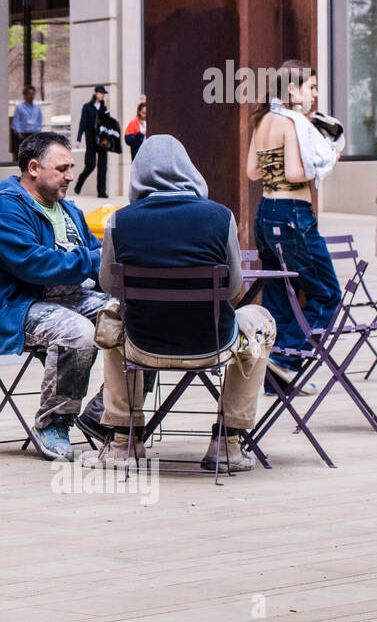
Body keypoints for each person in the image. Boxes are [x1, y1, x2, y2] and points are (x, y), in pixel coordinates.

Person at [85, 135, 276, 471]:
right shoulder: (220, 216)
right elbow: (232, 287)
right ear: (189, 169)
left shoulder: (120, 220)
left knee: (113, 319)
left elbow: (108, 285)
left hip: (142, 346)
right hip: (212, 345)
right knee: (260, 323)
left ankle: (123, 440)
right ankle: (227, 442)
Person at [0, 131, 107, 461]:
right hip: (15, 308)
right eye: (62, 168)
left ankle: (106, 416)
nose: (71, 176)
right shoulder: (2, 210)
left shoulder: (69, 211)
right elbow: (34, 264)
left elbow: (98, 260)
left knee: (141, 319)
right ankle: (53, 423)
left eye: (71, 167)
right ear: (34, 168)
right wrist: (94, 260)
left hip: (73, 299)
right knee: (77, 331)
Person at [245, 60, 340, 394]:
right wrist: (328, 159)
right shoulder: (291, 121)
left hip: (266, 212)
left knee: (279, 295)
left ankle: (275, 378)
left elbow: (252, 172)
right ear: (291, 88)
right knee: (328, 292)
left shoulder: (262, 120)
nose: (314, 95)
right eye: (310, 87)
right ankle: (289, 358)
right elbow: (298, 172)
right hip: (293, 213)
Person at [74, 85, 110, 198]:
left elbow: (108, 123)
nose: (102, 95)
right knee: (90, 164)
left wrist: (107, 111)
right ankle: (80, 181)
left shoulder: (104, 107)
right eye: (100, 93)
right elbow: (82, 123)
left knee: (103, 166)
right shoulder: (87, 106)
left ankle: (101, 192)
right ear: (95, 93)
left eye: (103, 93)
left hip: (102, 138)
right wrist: (78, 139)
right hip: (90, 136)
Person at [10, 84, 44, 159]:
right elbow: (16, 122)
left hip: (34, 135)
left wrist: (38, 132)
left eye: (33, 94)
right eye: (29, 94)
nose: (31, 96)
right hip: (23, 135)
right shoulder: (19, 107)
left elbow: (39, 121)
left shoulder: (37, 108)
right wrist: (19, 133)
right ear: (25, 95)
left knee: (34, 156)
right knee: (23, 157)